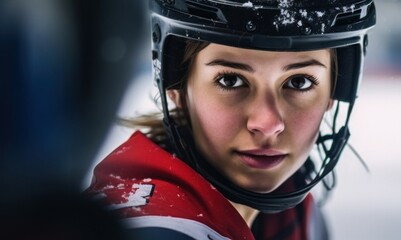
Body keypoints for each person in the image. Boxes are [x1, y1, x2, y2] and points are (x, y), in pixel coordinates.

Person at [85, 0, 376, 239]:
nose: (267, 122)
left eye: (299, 82)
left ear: (334, 92)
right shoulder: (152, 230)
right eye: (231, 80)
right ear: (177, 89)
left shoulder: (299, 218)